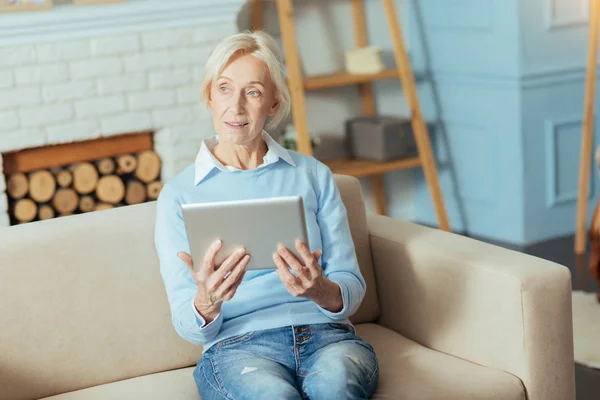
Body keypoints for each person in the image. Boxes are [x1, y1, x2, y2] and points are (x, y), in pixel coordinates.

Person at [154, 30, 379, 400]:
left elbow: (351, 287)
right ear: (209, 95)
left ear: (274, 103)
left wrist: (320, 289)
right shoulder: (178, 196)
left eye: (253, 92)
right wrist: (207, 301)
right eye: (224, 88)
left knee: (335, 388)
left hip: (327, 337)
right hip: (238, 348)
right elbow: (187, 323)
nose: (236, 106)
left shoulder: (313, 176)